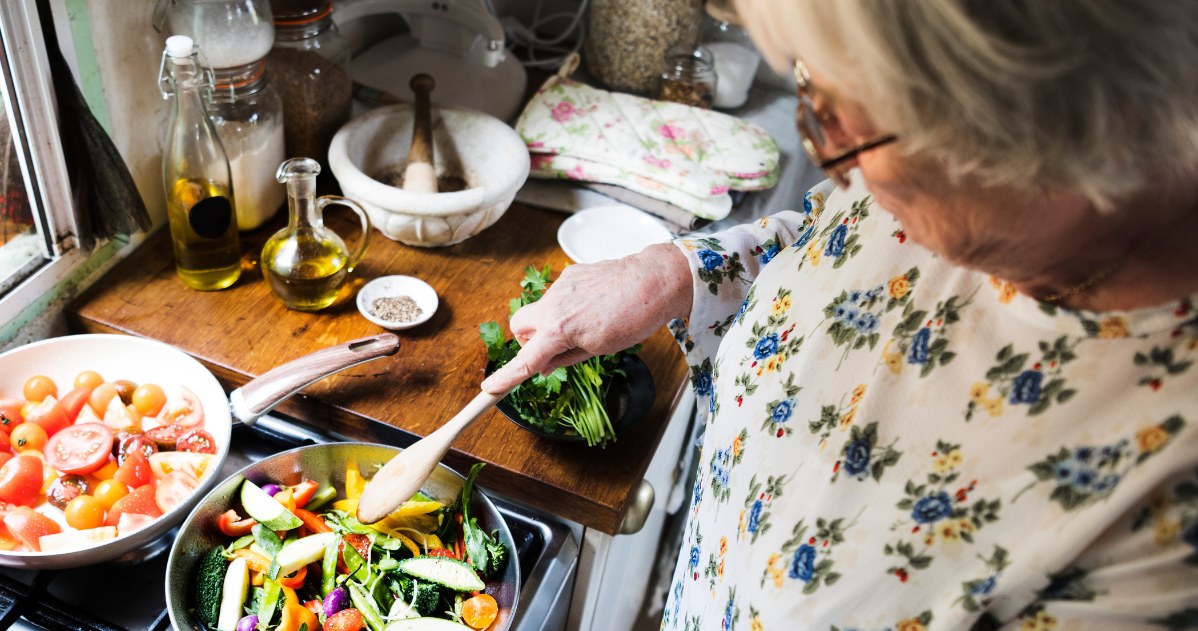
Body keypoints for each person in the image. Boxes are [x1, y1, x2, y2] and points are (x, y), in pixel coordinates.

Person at [483, 1, 1198, 628]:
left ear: (1048, 139)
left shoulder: (1164, 513)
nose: (833, 169)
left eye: (831, 121)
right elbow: (839, 231)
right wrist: (675, 273)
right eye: (809, 88)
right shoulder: (918, 188)